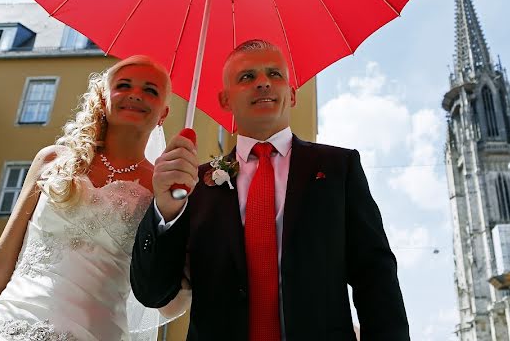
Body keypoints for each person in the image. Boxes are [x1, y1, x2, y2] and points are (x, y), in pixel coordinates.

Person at [131, 39, 409, 340]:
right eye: (247, 77)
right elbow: (153, 293)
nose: (263, 83)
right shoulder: (192, 183)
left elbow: (374, 274)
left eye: (274, 74)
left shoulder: (339, 167)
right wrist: (165, 209)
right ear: (225, 100)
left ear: (291, 94)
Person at [0, 55, 184, 341]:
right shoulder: (52, 161)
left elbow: (167, 299)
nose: (136, 94)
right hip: (9, 325)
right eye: (124, 85)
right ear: (103, 98)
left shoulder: (163, 189)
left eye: (150, 90)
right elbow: (1, 261)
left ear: (163, 113)